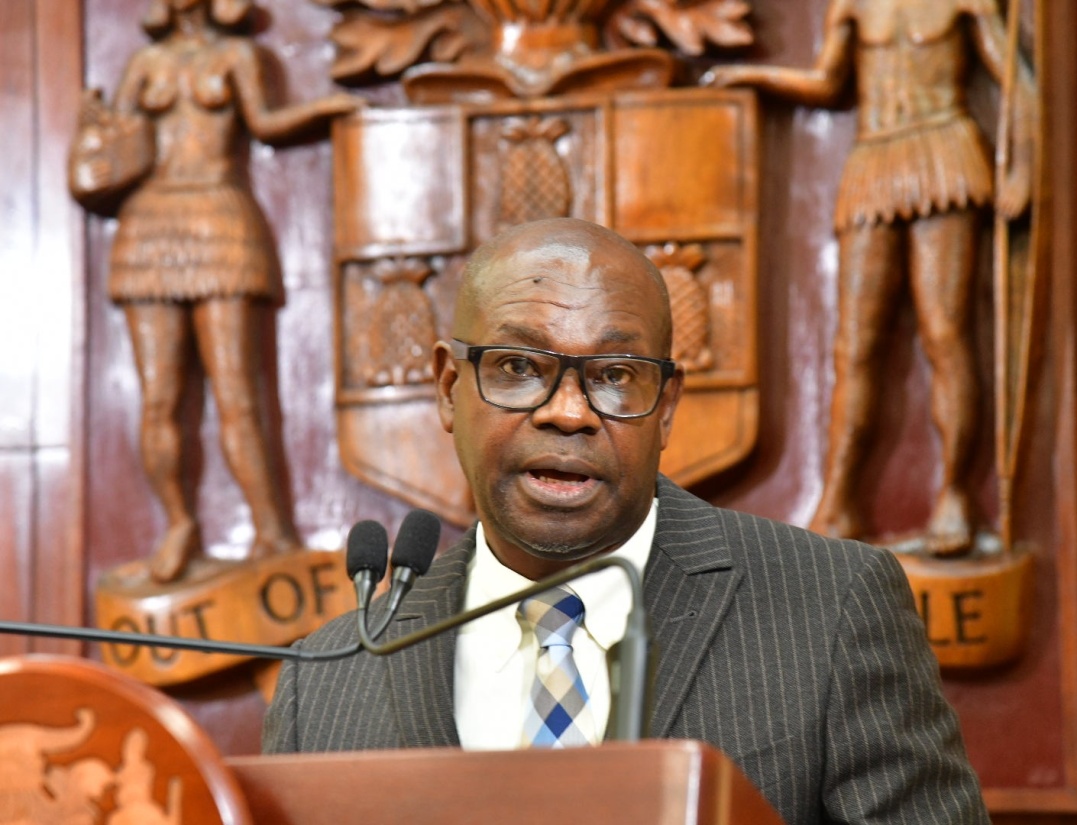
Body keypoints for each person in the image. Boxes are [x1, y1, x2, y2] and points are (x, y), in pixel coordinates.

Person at [263, 218, 989, 824]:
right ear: (451, 388)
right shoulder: (325, 684)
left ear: (666, 406)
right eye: (518, 367)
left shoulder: (829, 608)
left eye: (613, 375)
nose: (568, 411)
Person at [703, 0, 1035, 555]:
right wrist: (753, 75)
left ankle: (953, 495)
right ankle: (839, 500)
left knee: (946, 334)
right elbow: (830, 83)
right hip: (874, 163)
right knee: (855, 346)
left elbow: (1016, 81)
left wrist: (1023, 166)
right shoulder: (852, 5)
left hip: (942, 151)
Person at [72, 0, 362, 582]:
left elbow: (265, 122)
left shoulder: (238, 55)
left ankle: (270, 529)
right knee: (160, 399)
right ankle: (179, 523)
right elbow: (118, 144)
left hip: (220, 216)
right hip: (150, 225)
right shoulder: (146, 63)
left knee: (238, 393)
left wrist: (328, 107)